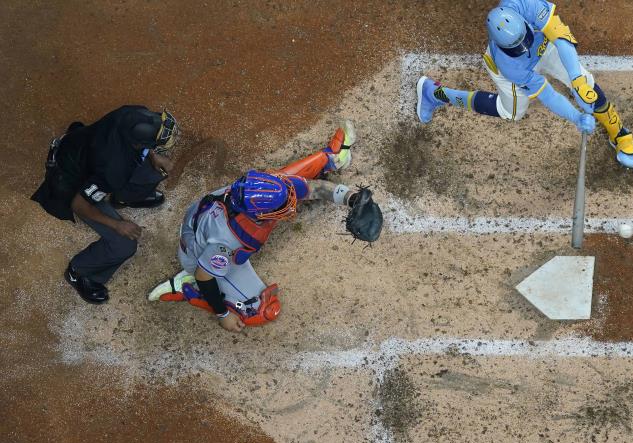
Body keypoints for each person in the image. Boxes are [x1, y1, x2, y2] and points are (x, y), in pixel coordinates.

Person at [148, 121, 383, 333]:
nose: (292, 203)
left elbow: (314, 189)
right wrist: (223, 314)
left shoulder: (258, 189)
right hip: (197, 255)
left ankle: (332, 157)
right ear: (259, 215)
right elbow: (204, 274)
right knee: (263, 311)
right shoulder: (227, 242)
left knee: (286, 179)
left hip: (205, 218)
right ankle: (186, 288)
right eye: (284, 206)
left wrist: (351, 199)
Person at [415, 0, 633, 169]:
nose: (523, 45)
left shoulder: (526, 5)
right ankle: (434, 93)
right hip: (517, 69)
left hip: (546, 47)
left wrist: (577, 80)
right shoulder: (508, 63)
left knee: (586, 84)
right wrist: (575, 117)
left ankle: (618, 133)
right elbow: (548, 95)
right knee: (511, 112)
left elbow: (561, 38)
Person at [31, 105, 179, 304]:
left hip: (80, 147)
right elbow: (79, 204)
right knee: (124, 244)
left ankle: (125, 197)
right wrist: (118, 225)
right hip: (70, 183)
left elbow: (137, 142)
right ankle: (80, 272)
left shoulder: (129, 114)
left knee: (151, 171)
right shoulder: (114, 168)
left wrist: (153, 155)